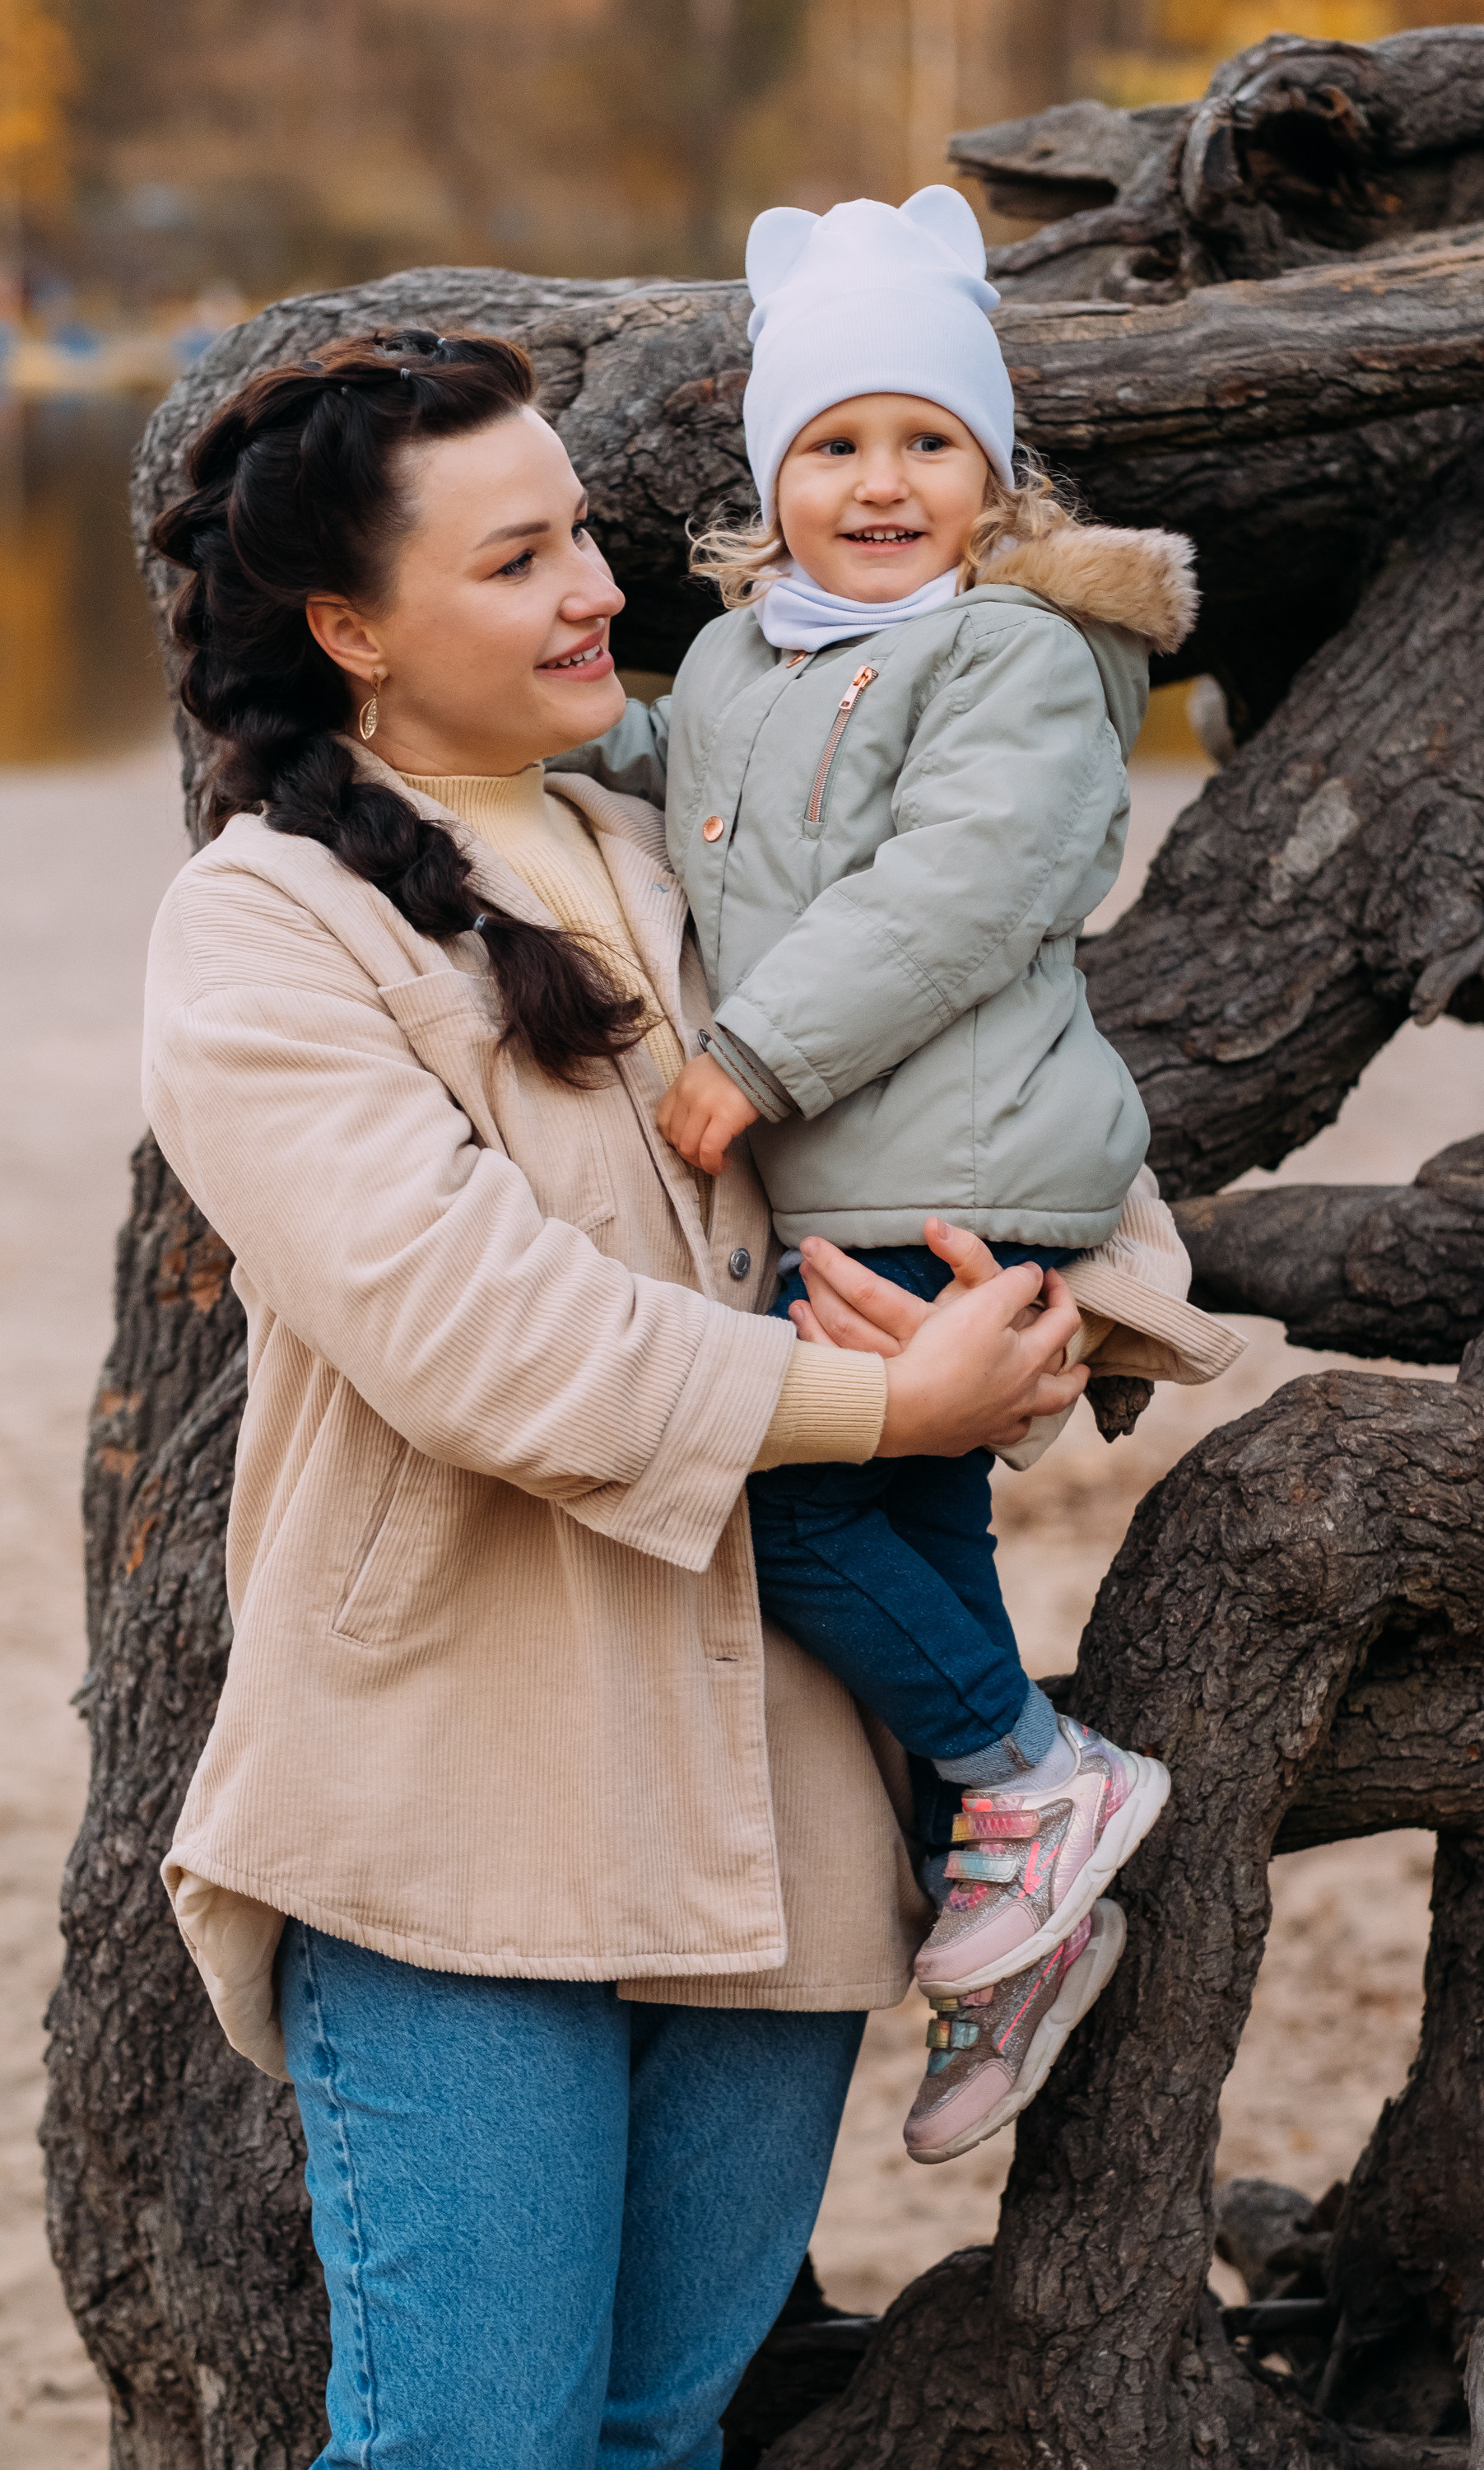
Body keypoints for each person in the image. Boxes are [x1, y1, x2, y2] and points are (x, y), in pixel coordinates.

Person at [142, 324, 1099, 2470]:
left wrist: (1014, 1330)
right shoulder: (267, 927)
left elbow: (955, 1091)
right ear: (350, 631)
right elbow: (471, 1330)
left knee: (664, 2445)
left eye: (583, 532)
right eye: (517, 561)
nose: (595, 588)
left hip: (780, 1797)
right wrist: (884, 1416)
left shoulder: (689, 852)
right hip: (455, 1799)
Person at [549, 187, 1241, 2165]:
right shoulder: (754, 656)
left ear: (990, 473)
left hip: (941, 1170)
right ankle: (1010, 1918)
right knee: (914, 1535)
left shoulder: (1010, 649)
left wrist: (746, 1061)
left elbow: (960, 890)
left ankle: (1034, 1776)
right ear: (771, 474)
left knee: (775, 1514)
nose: (878, 482)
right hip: (858, 1178)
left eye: (926, 441)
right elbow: (663, 771)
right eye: (833, 444)